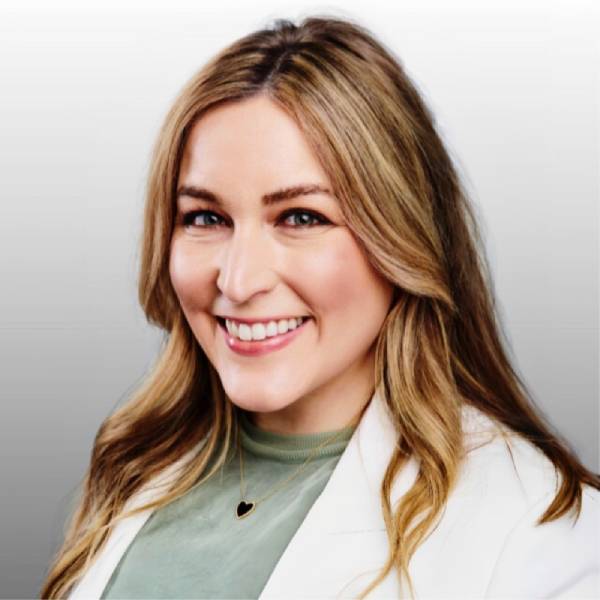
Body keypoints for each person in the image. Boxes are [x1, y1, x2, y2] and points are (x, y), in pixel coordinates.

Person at [41, 14, 599, 600]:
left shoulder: (534, 529)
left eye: (301, 217)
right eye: (206, 217)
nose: (238, 280)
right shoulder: (135, 466)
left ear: (402, 235)